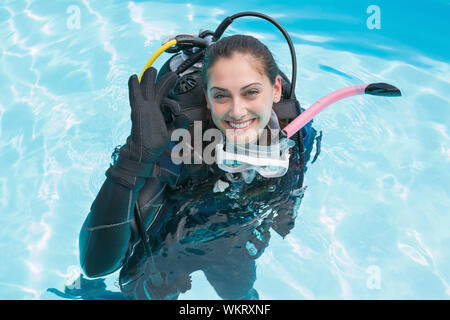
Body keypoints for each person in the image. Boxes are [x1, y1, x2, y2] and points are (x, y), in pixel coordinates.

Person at [79, 34, 314, 300]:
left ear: (276, 89)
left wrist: (280, 213)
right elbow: (96, 265)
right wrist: (134, 158)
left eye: (251, 92)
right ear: (206, 98)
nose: (237, 111)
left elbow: (294, 180)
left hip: (232, 239)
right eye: (221, 96)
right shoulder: (179, 145)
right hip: (167, 245)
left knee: (243, 297)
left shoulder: (295, 130)